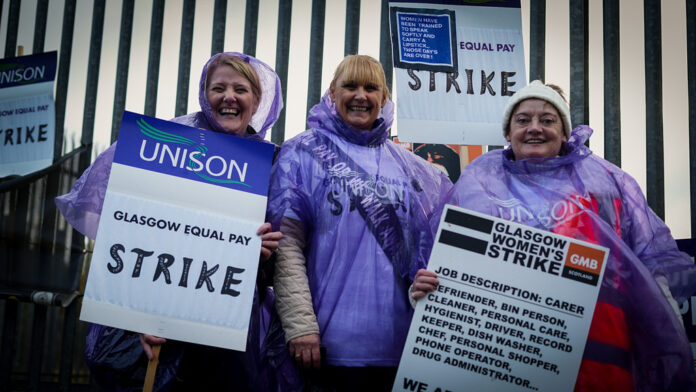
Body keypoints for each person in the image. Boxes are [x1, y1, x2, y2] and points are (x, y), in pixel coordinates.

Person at [413, 80, 696, 390]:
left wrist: (661, 306)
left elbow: (651, 257)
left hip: (599, 355)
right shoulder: (478, 183)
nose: (535, 128)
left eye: (547, 120)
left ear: (564, 132)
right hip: (505, 356)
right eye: (523, 120)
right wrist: (430, 293)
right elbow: (445, 261)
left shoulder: (603, 183)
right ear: (508, 133)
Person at [56, 52, 300, 391]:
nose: (229, 97)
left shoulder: (273, 165)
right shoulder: (162, 145)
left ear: (256, 100)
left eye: (240, 89)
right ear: (204, 94)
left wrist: (262, 252)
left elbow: (286, 266)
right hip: (159, 335)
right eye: (219, 88)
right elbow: (131, 236)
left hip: (227, 337)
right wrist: (137, 321)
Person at [267, 54, 453, 390]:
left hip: (401, 348)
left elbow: (441, 249)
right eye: (350, 85)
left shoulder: (415, 169)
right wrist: (300, 325)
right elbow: (287, 245)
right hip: (326, 345)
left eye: (371, 88)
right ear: (332, 92)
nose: (360, 95)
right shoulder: (301, 153)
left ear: (384, 98)